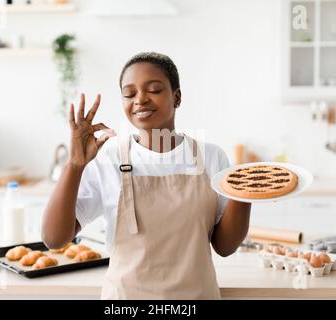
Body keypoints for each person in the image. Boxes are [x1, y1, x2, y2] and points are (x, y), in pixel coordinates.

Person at [42, 52, 251, 299]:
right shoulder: (109, 159)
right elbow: (54, 239)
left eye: (154, 89)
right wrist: (75, 166)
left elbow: (225, 247)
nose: (140, 99)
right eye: (129, 94)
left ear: (177, 96)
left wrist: (245, 192)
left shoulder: (211, 158)